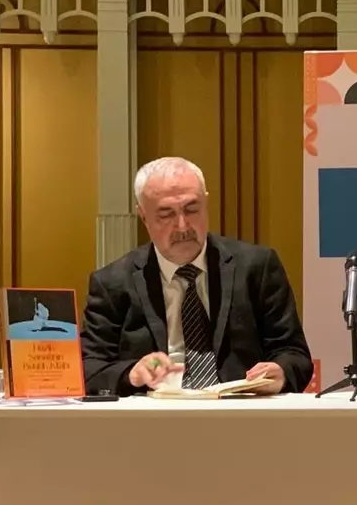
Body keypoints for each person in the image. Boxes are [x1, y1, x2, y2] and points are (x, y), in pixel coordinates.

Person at [81, 157, 312, 395]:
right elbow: (89, 369)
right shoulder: (113, 283)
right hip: (155, 412)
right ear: (143, 217)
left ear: (206, 203)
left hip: (238, 408)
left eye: (192, 209)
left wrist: (281, 372)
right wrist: (132, 374)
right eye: (166, 214)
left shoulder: (257, 267)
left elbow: (294, 355)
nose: (182, 226)